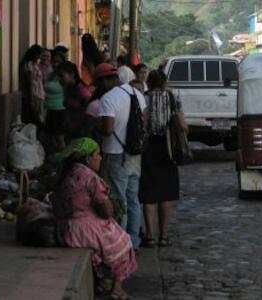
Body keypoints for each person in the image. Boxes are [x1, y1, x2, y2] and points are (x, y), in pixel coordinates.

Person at [51, 138, 137, 300]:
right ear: (88, 158)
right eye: (97, 154)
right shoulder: (90, 177)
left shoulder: (65, 173)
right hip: (83, 229)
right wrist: (111, 205)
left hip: (65, 227)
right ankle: (117, 289)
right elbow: (106, 211)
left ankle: (102, 283)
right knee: (123, 241)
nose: (100, 158)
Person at [96, 63, 147, 250]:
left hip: (115, 153)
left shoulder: (108, 98)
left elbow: (108, 130)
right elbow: (144, 122)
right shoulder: (137, 94)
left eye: (99, 82)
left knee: (118, 199)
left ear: (107, 80)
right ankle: (133, 241)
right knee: (133, 198)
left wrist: (97, 127)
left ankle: (120, 244)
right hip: (134, 153)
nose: (98, 87)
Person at [139, 70, 188, 248]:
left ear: (149, 83)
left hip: (148, 147)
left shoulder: (142, 98)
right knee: (167, 192)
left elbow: (141, 123)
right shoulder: (173, 98)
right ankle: (164, 235)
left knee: (149, 193)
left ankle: (150, 235)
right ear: (164, 82)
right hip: (168, 148)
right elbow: (183, 125)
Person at [57, 61, 92, 142]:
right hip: (69, 130)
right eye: (58, 76)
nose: (59, 79)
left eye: (61, 76)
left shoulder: (81, 90)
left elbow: (90, 108)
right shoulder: (67, 88)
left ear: (72, 74)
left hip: (80, 133)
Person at [44, 52, 66, 153]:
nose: (56, 63)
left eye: (58, 61)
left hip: (59, 111)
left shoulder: (63, 77)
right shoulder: (50, 74)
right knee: (50, 137)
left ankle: (62, 158)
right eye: (54, 61)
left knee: (59, 137)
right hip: (49, 110)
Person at [19, 44, 46, 127]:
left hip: (39, 96)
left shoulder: (36, 65)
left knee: (40, 120)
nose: (40, 57)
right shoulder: (29, 65)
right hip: (34, 96)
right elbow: (29, 82)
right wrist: (31, 100)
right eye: (39, 55)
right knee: (36, 121)